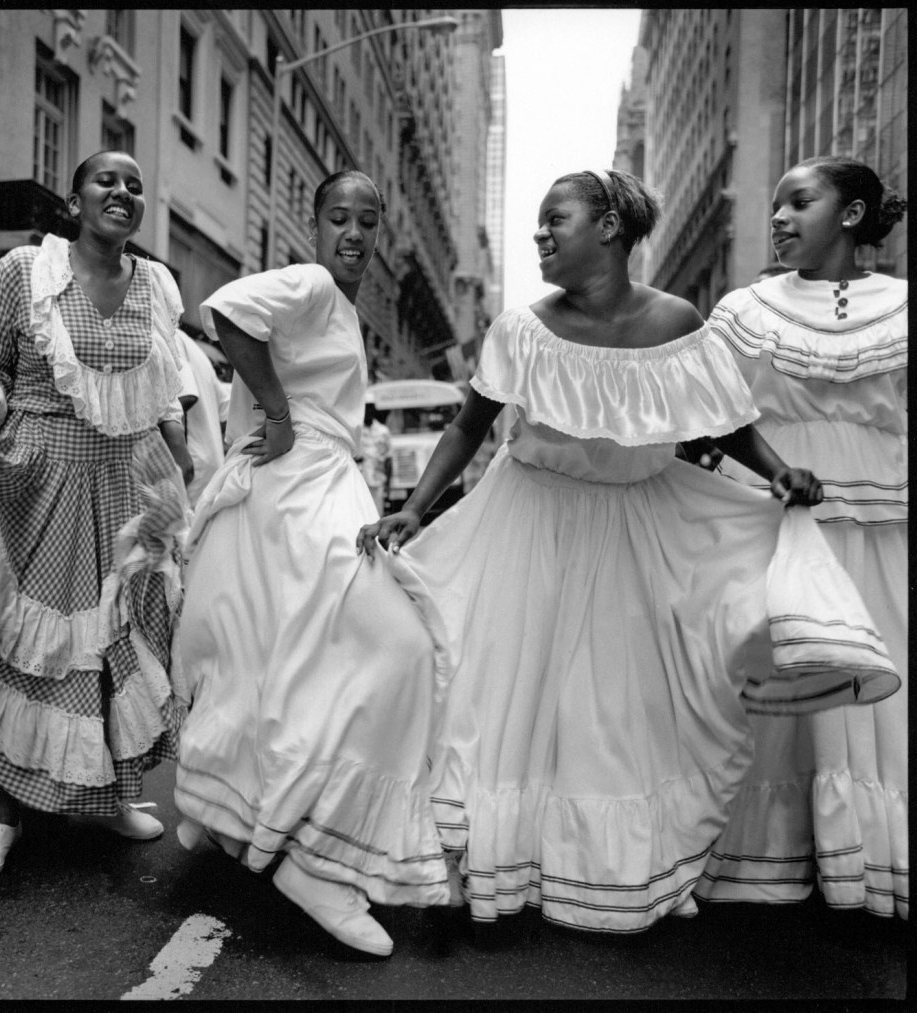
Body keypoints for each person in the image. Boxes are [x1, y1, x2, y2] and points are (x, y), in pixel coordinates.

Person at [357, 169, 899, 934]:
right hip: (530, 527)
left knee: (614, 715)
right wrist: (414, 508)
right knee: (497, 700)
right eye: (540, 221)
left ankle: (615, 863)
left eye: (556, 218)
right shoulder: (519, 329)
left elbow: (721, 419)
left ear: (609, 228)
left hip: (637, 533)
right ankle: (478, 852)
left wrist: (779, 472)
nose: (541, 233)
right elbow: (468, 426)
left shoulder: (678, 320)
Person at [173, 170, 450, 957]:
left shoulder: (343, 307)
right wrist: (281, 414)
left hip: (315, 490)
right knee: (399, 649)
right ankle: (314, 858)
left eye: (368, 219)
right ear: (316, 223)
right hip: (299, 493)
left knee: (295, 668)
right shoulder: (316, 283)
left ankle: (267, 827)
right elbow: (228, 310)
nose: (353, 233)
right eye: (338, 216)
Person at [0, 150, 193, 883]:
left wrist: (178, 446)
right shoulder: (26, 270)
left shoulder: (157, 283)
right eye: (106, 180)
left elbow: (163, 386)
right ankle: (2, 818)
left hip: (124, 485)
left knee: (117, 644)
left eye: (134, 185)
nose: (122, 192)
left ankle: (111, 794)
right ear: (75, 200)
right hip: (38, 483)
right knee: (31, 651)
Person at [694, 157, 908, 919]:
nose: (778, 217)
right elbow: (710, 412)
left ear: (850, 215)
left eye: (799, 201)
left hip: (882, 521)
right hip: (772, 515)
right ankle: (768, 850)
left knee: (874, 671)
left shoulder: (903, 306)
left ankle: (867, 852)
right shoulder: (745, 310)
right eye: (776, 204)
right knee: (771, 669)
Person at [176, 329, 228, 508]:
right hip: (209, 470)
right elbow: (224, 409)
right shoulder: (188, 342)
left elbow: (185, 397)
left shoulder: (160, 333)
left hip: (188, 472)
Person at [359, 395, 392, 510]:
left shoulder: (383, 431)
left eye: (370, 407)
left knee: (377, 513)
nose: (368, 411)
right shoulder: (356, 431)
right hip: (359, 481)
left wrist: (388, 485)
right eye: (365, 407)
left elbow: (388, 459)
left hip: (378, 480)